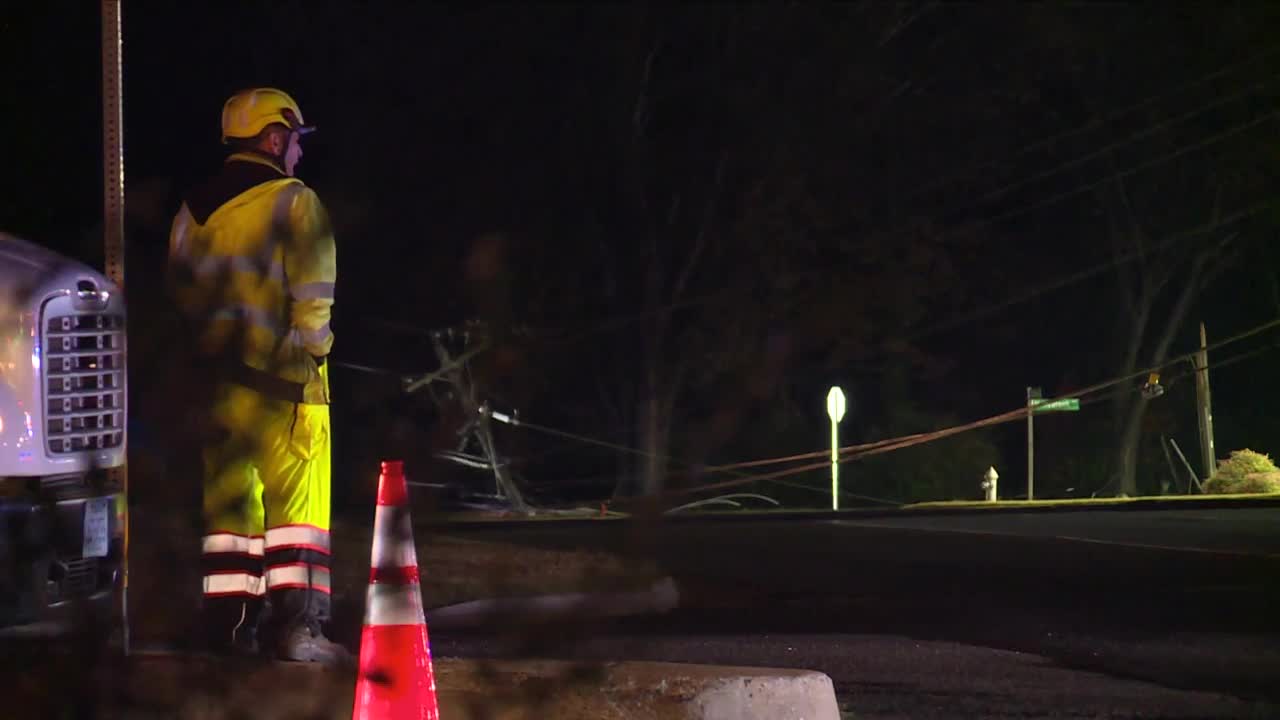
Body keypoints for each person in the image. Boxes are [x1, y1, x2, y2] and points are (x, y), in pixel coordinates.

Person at [167, 87, 347, 664]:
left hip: (218, 395)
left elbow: (180, 299)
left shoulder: (190, 215)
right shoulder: (295, 202)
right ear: (273, 139)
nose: (298, 154)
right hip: (288, 391)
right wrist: (315, 355)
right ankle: (297, 633)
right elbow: (314, 301)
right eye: (294, 142)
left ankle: (226, 631)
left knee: (229, 521)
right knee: (298, 520)